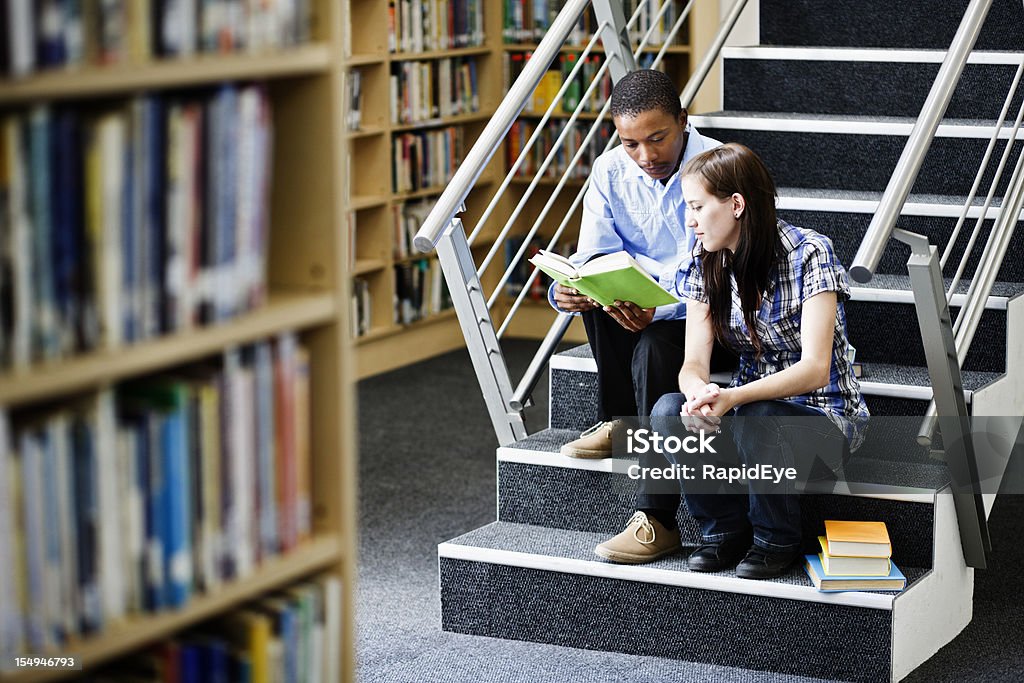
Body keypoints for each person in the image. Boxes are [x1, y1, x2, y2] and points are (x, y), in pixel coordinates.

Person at [594, 143, 869, 578]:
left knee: (758, 413)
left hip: (826, 419)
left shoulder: (809, 253)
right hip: (747, 418)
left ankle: (775, 539)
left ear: (736, 204)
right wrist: (697, 394)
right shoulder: (705, 264)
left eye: (698, 207)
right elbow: (692, 364)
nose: (689, 220)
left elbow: (816, 368)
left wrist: (733, 397)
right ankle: (722, 534)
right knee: (668, 411)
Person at [551, 69, 734, 465]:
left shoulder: (721, 168)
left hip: (707, 318)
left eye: (657, 139)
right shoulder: (610, 169)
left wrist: (660, 307)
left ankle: (640, 443)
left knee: (653, 344)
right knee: (597, 300)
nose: (646, 157)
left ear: (683, 121)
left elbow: (722, 280)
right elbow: (594, 256)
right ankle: (619, 424)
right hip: (644, 309)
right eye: (630, 143)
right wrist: (569, 289)